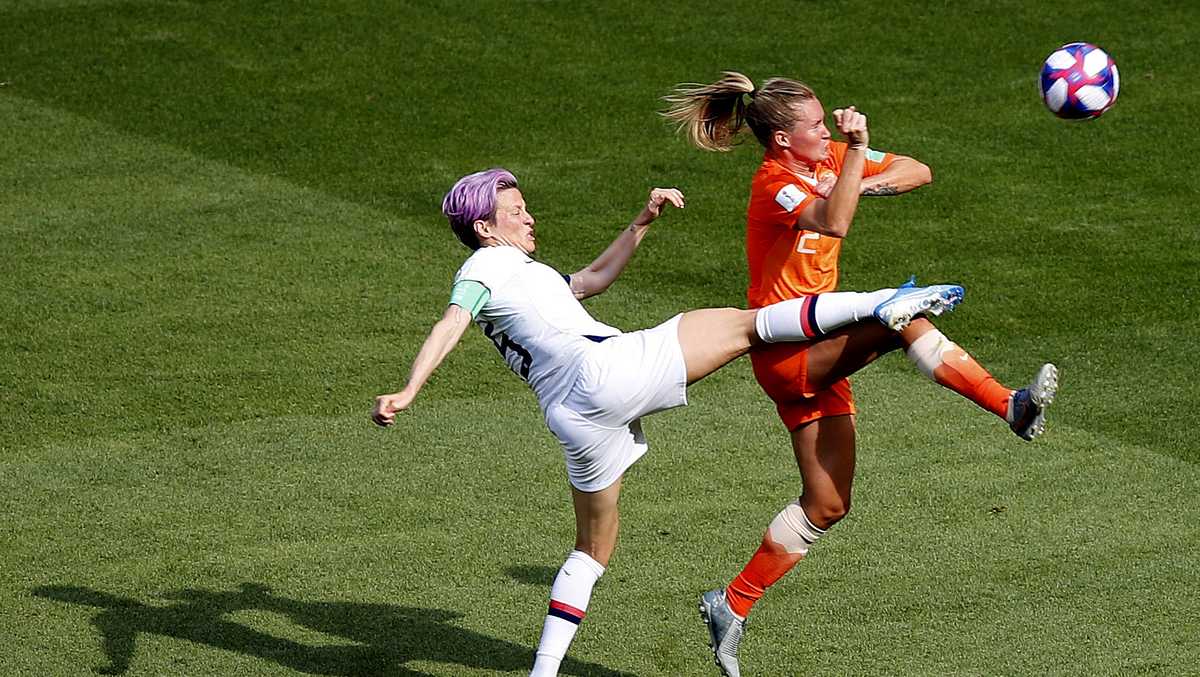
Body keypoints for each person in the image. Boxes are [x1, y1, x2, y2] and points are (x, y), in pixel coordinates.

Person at [372, 168, 965, 677]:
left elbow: (589, 283)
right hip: (602, 372)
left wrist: (641, 221)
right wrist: (409, 388)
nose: (528, 218)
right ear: (484, 227)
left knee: (593, 549)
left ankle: (543, 672)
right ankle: (885, 302)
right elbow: (452, 320)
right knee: (743, 325)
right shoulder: (486, 265)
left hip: (574, 418)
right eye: (516, 210)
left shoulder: (523, 276)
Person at [663, 72, 1059, 677]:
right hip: (788, 350)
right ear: (779, 141)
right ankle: (1010, 405)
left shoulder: (826, 158)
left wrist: (858, 170)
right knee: (902, 314)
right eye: (815, 127)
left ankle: (731, 602)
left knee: (827, 504)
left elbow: (918, 171)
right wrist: (849, 168)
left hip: (823, 344)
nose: (828, 131)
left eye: (826, 122)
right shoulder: (775, 183)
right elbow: (833, 222)